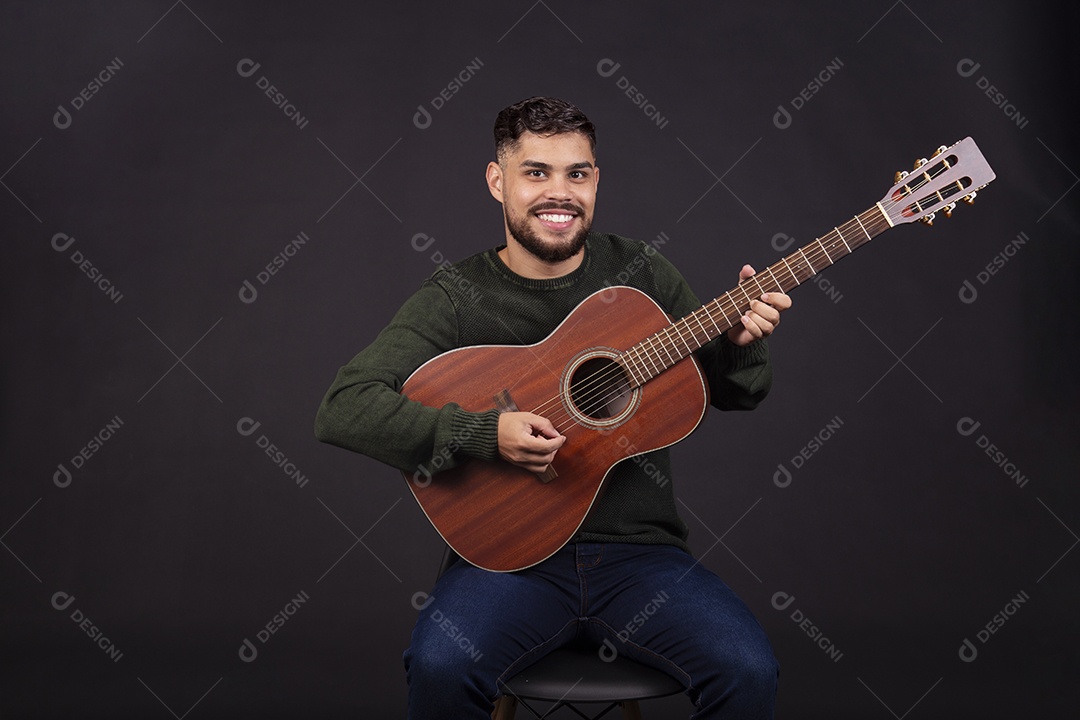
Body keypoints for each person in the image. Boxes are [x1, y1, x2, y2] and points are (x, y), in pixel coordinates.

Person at [315, 96, 791, 718]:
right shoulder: (456, 297)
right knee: (441, 666)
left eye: (578, 173)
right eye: (536, 172)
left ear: (596, 181)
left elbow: (739, 392)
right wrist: (486, 433)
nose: (559, 193)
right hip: (506, 566)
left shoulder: (639, 271)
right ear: (497, 181)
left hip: (640, 559)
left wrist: (738, 343)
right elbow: (344, 408)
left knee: (748, 669)